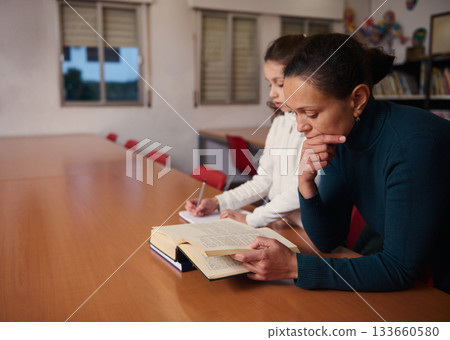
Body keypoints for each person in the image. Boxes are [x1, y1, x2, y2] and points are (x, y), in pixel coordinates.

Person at [231, 33, 450, 293]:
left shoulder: (413, 145)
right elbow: (328, 239)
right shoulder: (341, 138)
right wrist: (305, 183)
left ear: (357, 100)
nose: (300, 127)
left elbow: (398, 269)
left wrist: (294, 267)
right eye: (295, 113)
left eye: (310, 113)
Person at [185, 35, 307, 228]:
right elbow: (264, 181)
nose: (271, 93)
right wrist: (218, 202)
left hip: (304, 231)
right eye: (270, 83)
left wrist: (252, 219)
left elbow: (298, 192)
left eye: (280, 84)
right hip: (278, 224)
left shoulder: (316, 131)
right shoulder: (280, 124)